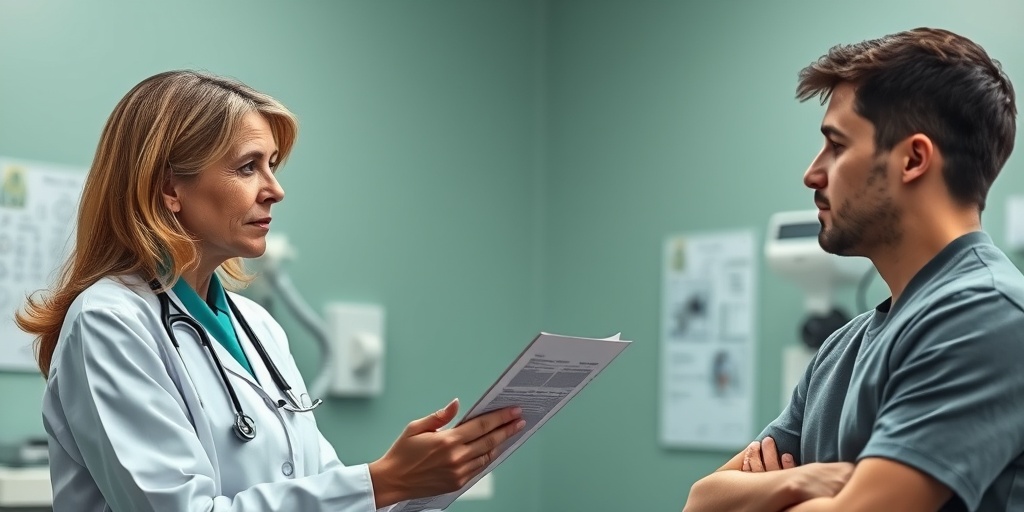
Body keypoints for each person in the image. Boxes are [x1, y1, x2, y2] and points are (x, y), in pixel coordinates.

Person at [16, 70, 525, 512]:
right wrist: (382, 480)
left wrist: (411, 482)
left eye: (272, 165)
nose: (274, 189)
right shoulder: (110, 320)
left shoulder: (257, 327)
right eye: (246, 167)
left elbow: (317, 491)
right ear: (170, 188)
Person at [684, 27, 1022, 512]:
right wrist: (803, 482)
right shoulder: (841, 349)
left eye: (837, 146)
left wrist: (771, 495)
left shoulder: (989, 314)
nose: (812, 173)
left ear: (913, 159)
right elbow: (701, 500)